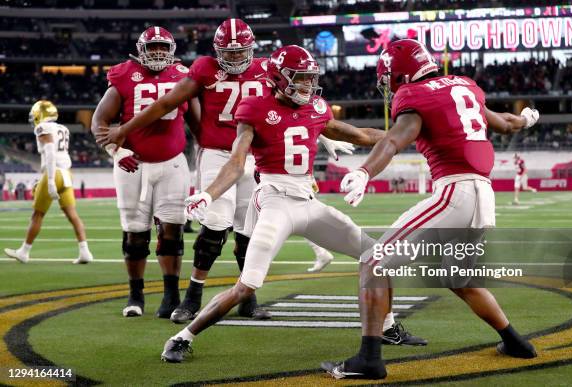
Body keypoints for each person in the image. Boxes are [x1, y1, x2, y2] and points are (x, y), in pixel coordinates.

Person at [159, 45, 426, 363]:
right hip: (275, 203)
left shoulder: (316, 107)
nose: (307, 86)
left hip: (307, 202)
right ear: (277, 78)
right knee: (247, 285)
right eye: (299, 79)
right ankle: (181, 337)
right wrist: (209, 193)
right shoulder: (255, 108)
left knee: (376, 256)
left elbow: (362, 135)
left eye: (310, 79)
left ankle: (388, 327)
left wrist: (415, 136)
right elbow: (235, 162)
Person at [96, 19, 345, 323]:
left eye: (241, 52)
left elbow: (289, 105)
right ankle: (192, 297)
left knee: (248, 229)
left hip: (253, 155)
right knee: (214, 224)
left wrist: (321, 134)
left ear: (252, 48)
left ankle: (248, 298)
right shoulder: (204, 68)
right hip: (215, 153)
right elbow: (165, 104)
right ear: (216, 50)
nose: (237, 58)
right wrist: (126, 129)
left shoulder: (269, 70)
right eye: (229, 52)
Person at [322, 39, 539, 379]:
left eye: (391, 78)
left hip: (455, 192)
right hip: (483, 195)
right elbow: (505, 124)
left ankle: (369, 358)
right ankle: (515, 342)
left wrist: (365, 172)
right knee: (459, 277)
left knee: (373, 261)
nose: (390, 86)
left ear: (401, 75)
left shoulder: (414, 95)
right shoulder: (464, 86)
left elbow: (393, 140)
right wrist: (526, 120)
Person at [91, 26, 200, 318]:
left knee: (172, 233)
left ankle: (171, 296)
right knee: (135, 236)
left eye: (163, 47)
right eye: (153, 48)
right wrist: (117, 150)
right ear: (141, 50)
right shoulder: (124, 75)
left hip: (173, 163)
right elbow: (99, 121)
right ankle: (135, 294)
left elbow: (199, 125)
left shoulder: (184, 76)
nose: (158, 53)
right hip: (132, 166)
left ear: (172, 50)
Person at [4, 101, 94, 264]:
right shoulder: (63, 128)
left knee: (37, 215)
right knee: (72, 215)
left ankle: (24, 252)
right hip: (67, 173)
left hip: (55, 173)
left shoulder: (43, 128)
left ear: (40, 115)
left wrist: (50, 180)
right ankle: (85, 251)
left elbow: (51, 152)